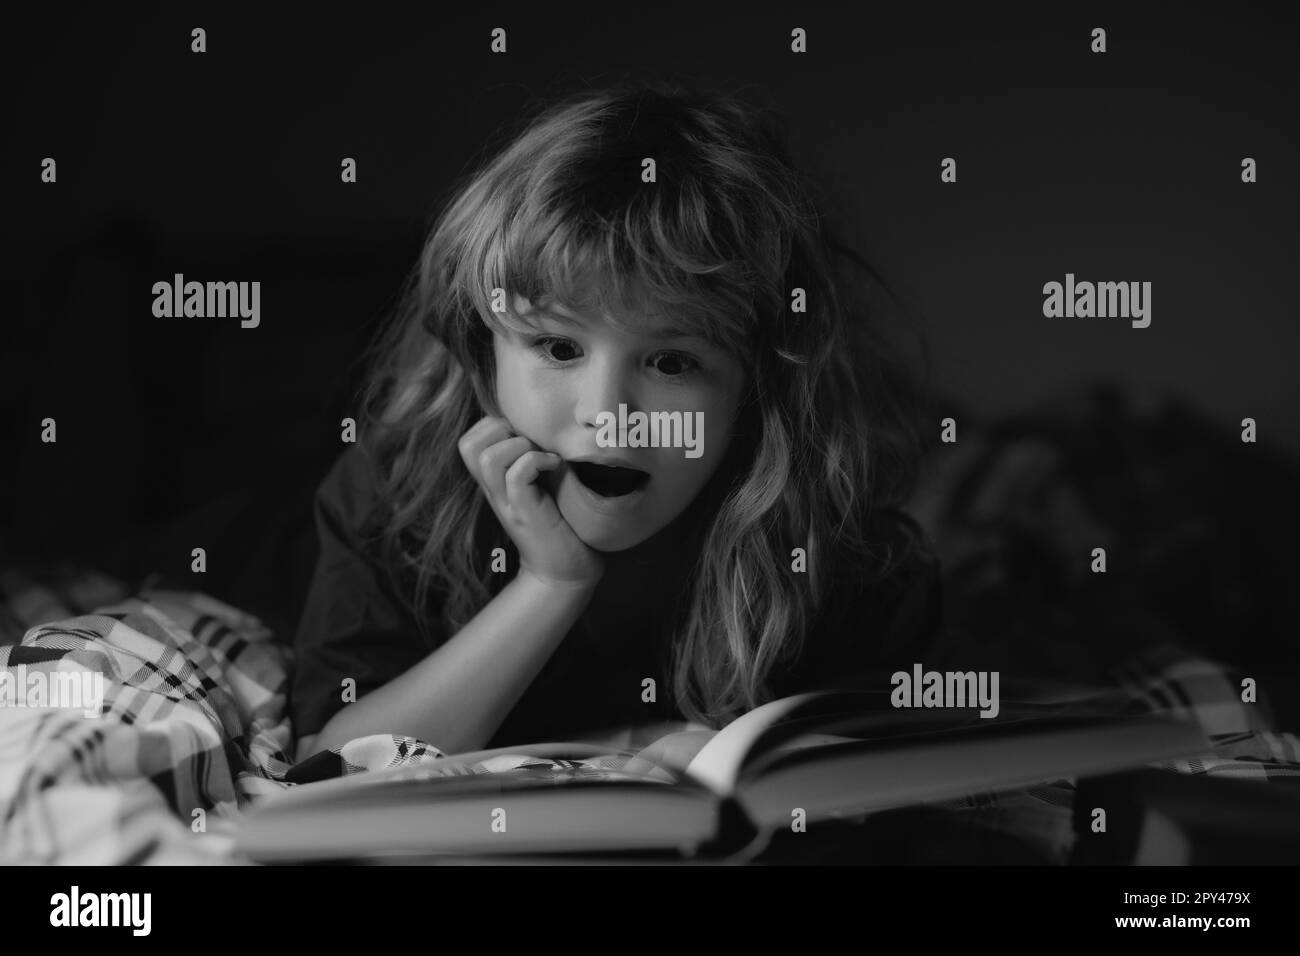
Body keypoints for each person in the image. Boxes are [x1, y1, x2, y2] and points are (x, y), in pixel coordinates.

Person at [291, 82, 943, 762]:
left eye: (671, 362)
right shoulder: (392, 488)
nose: (608, 418)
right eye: (559, 348)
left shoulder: (850, 562)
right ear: (484, 360)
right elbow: (332, 763)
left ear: (757, 390)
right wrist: (551, 585)